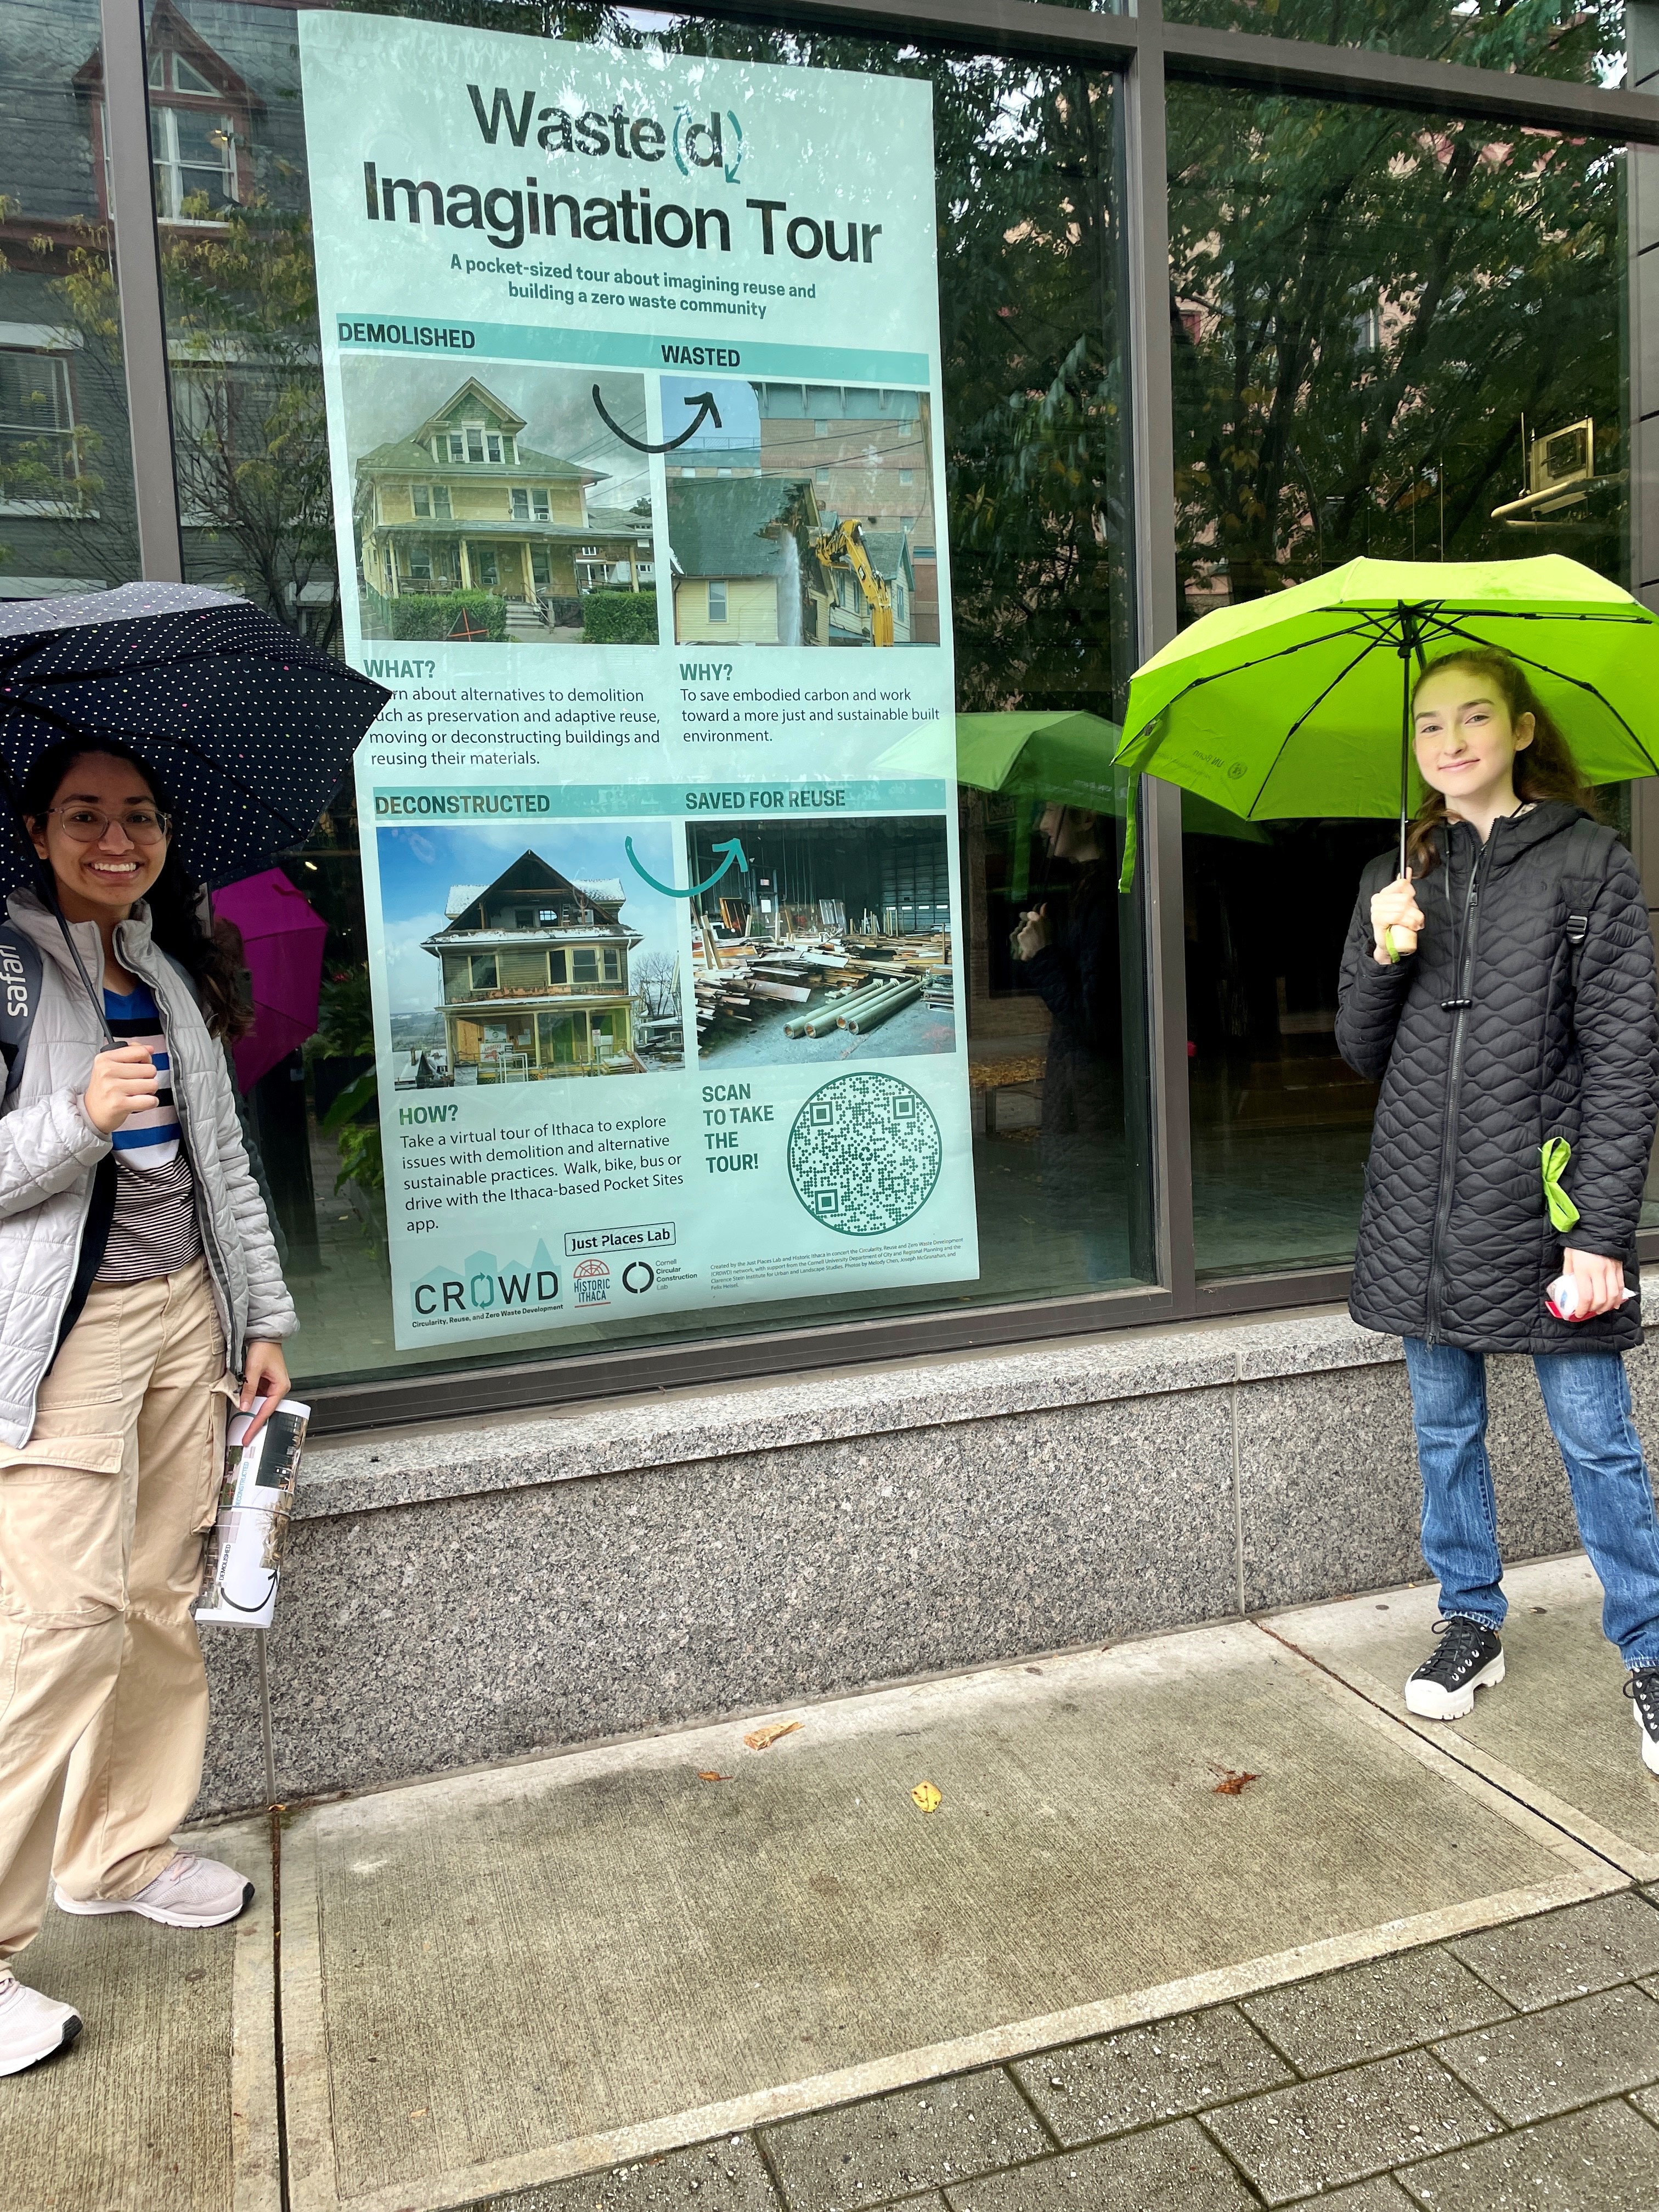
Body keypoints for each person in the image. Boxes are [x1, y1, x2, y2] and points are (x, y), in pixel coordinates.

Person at [0, 741, 296, 2077]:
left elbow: (222, 1166)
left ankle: (115, 1854)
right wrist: (73, 1114)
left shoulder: (159, 967)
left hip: (188, 1314)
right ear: (35, 828)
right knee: (58, 1629)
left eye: (138, 818)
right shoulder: (8, 968)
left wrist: (267, 1319)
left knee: (158, 1594)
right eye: (85, 816)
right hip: (65, 1343)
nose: (116, 839)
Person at [1336, 646, 1659, 1773]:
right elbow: (1360, 1049)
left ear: (1521, 730)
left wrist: (1601, 1236)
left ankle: (1653, 1650)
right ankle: (1471, 1619)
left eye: (1476, 718)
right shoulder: (1397, 874)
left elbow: (1625, 1058)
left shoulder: (1588, 862)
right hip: (1426, 1204)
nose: (1453, 739)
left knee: (1596, 1440)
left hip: (1548, 1205)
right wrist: (1386, 948)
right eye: (1431, 724)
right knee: (1444, 1429)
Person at [1012, 803, 1122, 1284]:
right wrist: (1040, 948)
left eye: (1050, 811)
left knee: (1107, 1230)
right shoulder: (1083, 890)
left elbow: (1091, 1018)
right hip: (1086, 1091)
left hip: (1097, 1095)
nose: (1040, 824)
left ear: (1085, 817)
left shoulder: (1104, 898)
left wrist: (1044, 956)